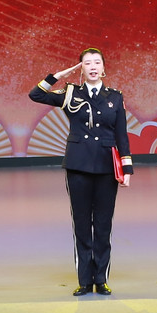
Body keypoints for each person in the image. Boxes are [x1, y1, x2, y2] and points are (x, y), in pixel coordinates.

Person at [30, 48, 133, 295]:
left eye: (97, 62)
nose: (93, 67)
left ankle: (102, 279)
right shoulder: (70, 94)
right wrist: (58, 75)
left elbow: (121, 135)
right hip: (78, 165)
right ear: (81, 69)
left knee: (103, 225)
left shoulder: (115, 97)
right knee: (82, 224)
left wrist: (127, 168)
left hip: (106, 167)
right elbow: (36, 95)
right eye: (87, 63)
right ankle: (85, 280)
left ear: (104, 68)